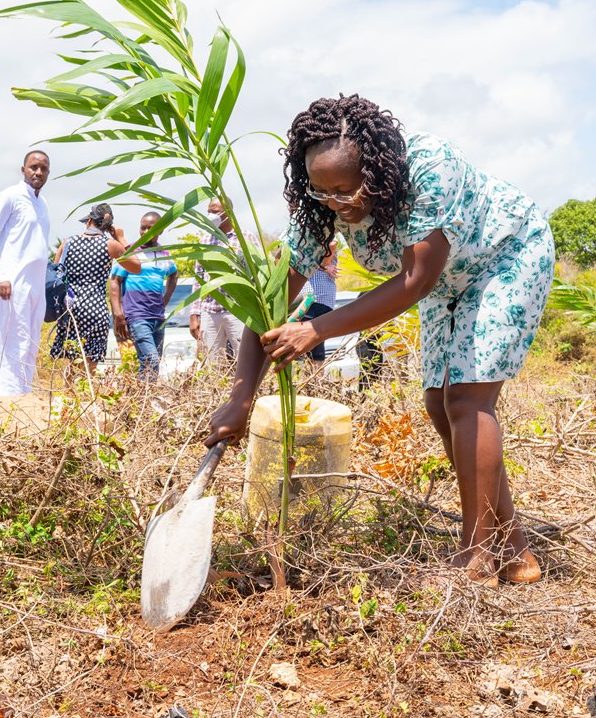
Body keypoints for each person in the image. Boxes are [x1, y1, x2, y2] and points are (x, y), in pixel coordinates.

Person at [207, 95, 555, 586]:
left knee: (468, 398)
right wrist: (240, 398)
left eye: (347, 192)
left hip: (504, 255)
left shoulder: (430, 167)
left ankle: (477, 556)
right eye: (323, 192)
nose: (337, 204)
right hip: (448, 278)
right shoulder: (318, 205)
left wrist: (316, 329)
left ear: (378, 172)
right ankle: (514, 551)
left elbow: (415, 281)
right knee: (439, 403)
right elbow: (270, 302)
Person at [0, 150, 52, 396]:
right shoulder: (10, 196)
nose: (38, 172)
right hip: (12, 282)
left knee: (30, 337)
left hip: (36, 284)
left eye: (43, 168)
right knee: (11, 334)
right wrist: (1, 276)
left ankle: (24, 389)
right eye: (33, 167)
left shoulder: (42, 203)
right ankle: (4, 390)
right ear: (23, 170)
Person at [50, 204, 140, 372]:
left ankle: (69, 396)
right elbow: (136, 267)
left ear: (89, 220)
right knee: (89, 365)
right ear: (108, 226)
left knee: (72, 362)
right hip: (95, 309)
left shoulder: (67, 243)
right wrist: (121, 239)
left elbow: (54, 274)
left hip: (70, 309)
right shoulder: (110, 245)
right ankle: (84, 396)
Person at [110, 211, 178, 380]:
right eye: (143, 228)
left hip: (158, 317)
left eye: (151, 228)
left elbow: (174, 275)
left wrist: (165, 301)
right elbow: (115, 281)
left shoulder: (164, 254)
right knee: (150, 360)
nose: (145, 232)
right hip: (137, 316)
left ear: (161, 230)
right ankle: (144, 401)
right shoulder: (130, 252)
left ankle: (145, 400)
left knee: (153, 364)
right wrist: (118, 313)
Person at [189, 199, 248, 361]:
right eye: (209, 211)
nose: (210, 215)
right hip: (210, 310)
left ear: (228, 212)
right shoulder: (205, 240)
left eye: (215, 211)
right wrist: (194, 314)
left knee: (245, 360)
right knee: (211, 365)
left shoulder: (246, 238)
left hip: (238, 310)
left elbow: (257, 275)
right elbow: (198, 278)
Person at [297, 242, 337, 363]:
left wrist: (323, 265)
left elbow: (332, 243)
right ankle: (313, 379)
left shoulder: (316, 233)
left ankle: (307, 379)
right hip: (323, 297)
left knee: (302, 342)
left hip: (313, 296)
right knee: (316, 343)